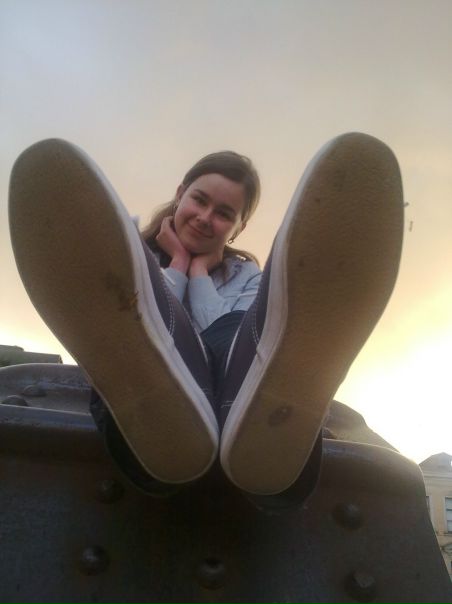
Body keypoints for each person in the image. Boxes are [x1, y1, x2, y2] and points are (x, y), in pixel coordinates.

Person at [8, 133, 404, 504]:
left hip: (234, 401)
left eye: (223, 213)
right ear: (180, 194)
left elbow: (222, 327)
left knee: (233, 333)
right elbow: (135, 312)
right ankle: (169, 417)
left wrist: (198, 275)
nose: (204, 217)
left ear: (238, 227)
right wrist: (178, 266)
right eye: (199, 200)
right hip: (150, 432)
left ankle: (261, 422)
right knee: (145, 321)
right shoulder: (127, 255)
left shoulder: (248, 277)